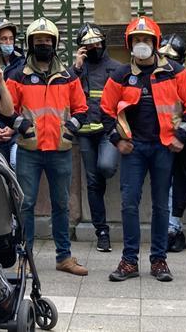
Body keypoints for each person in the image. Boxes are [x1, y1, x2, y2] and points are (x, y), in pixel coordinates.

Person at [101, 16, 186, 284]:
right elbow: (106, 111)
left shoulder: (175, 71)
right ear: (130, 44)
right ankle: (129, 261)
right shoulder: (121, 75)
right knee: (129, 203)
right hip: (133, 149)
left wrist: (181, 136)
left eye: (146, 39)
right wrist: (117, 140)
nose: (141, 44)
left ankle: (159, 260)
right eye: (137, 40)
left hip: (164, 148)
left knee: (160, 206)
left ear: (155, 43)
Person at [8, 18, 89, 276]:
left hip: (60, 150)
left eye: (47, 41)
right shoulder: (18, 75)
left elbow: (82, 109)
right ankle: (24, 258)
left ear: (54, 44)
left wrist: (70, 128)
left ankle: (63, 257)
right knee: (26, 204)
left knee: (62, 204)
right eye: (38, 41)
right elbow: (7, 108)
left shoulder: (67, 76)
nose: (43, 44)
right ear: (30, 44)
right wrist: (22, 126)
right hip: (29, 150)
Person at [73, 23, 121, 252]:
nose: (94, 47)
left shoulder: (116, 68)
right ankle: (101, 231)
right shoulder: (76, 70)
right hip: (84, 134)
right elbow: (65, 92)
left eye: (97, 43)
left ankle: (101, 181)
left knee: (106, 167)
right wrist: (77, 68)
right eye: (89, 44)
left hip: (107, 132)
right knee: (93, 184)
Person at [159, 34, 186, 254]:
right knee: (163, 186)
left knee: (180, 186)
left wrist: (182, 136)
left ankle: (174, 228)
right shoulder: (154, 77)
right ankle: (168, 228)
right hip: (160, 139)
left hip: (183, 141)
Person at [0, 19, 23, 164]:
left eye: (11, 39)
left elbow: (26, 102)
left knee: (16, 164)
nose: (8, 42)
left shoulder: (23, 65)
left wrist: (14, 128)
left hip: (17, 131)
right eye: (3, 39)